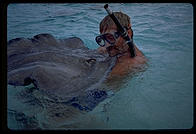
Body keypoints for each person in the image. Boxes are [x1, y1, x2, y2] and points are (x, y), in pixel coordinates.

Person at [96, 12, 147, 79]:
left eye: (110, 38)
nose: (106, 45)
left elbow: (103, 84)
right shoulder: (108, 48)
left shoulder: (132, 64)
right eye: (103, 38)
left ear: (128, 34)